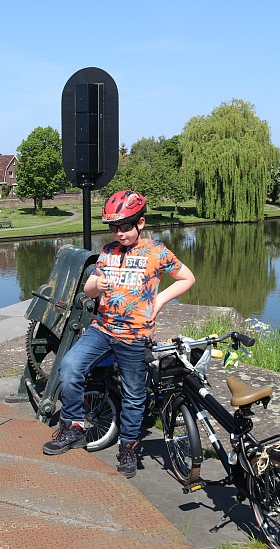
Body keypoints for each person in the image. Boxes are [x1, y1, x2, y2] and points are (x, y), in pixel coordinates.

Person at [42, 190, 195, 478]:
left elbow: (187, 278)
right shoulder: (108, 252)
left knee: (134, 395)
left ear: (141, 223)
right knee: (70, 366)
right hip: (102, 329)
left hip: (135, 335)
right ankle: (73, 426)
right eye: (115, 228)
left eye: (126, 226)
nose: (120, 233)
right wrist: (97, 284)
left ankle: (128, 448)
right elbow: (88, 289)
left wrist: (159, 301)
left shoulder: (156, 252)